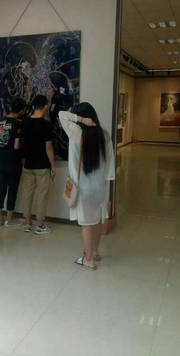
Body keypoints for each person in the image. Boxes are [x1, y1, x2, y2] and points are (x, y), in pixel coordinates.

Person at [59, 103, 115, 270]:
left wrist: (81, 120)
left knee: (86, 224)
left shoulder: (76, 131)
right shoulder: (104, 135)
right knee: (96, 221)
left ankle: (88, 259)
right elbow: (109, 163)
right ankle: (95, 252)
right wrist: (107, 182)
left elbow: (61, 114)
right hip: (100, 187)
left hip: (83, 188)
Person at [20, 95, 57, 235]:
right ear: (46, 106)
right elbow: (49, 148)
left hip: (28, 165)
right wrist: (53, 166)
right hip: (42, 165)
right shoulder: (46, 125)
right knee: (41, 195)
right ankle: (40, 225)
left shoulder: (24, 121)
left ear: (34, 106)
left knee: (27, 194)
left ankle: (27, 223)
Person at [0, 97, 26, 227]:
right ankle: (9, 219)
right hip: (14, 161)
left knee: (1, 188)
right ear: (21, 110)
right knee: (12, 189)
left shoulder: (0, 121)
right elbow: (16, 146)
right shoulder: (18, 123)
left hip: (1, 160)